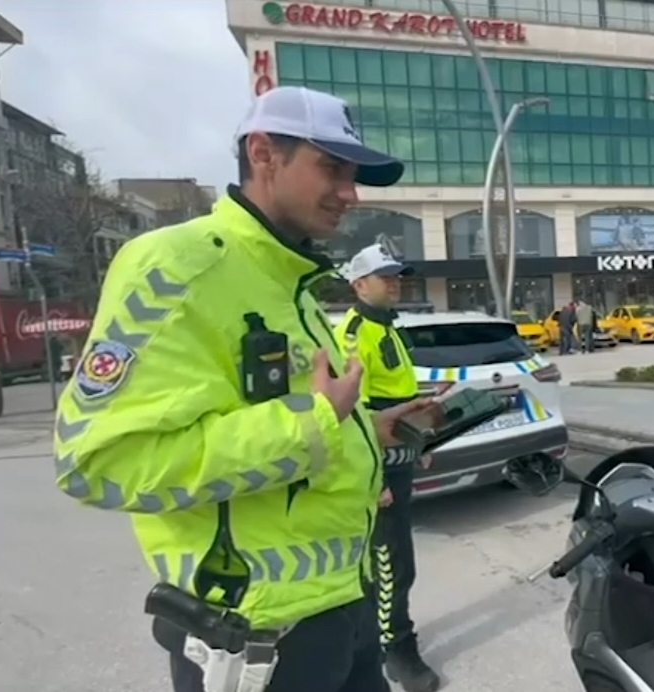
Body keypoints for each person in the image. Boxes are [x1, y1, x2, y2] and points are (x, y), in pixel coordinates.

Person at [51, 85, 434, 692]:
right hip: (254, 640)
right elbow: (98, 461)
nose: (350, 194)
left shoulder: (294, 286)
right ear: (263, 153)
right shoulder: (174, 267)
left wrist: (368, 431)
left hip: (343, 608)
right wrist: (311, 423)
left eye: (354, 174)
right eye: (331, 168)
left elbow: (301, 420)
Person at [333, 243, 441, 692]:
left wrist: (423, 439)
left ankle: (382, 638)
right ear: (359, 285)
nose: (395, 282)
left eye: (398, 275)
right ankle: (394, 647)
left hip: (398, 458)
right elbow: (354, 413)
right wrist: (372, 476)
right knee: (389, 564)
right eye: (385, 276)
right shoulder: (356, 333)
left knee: (397, 560)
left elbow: (396, 398)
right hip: (377, 468)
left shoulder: (387, 327)